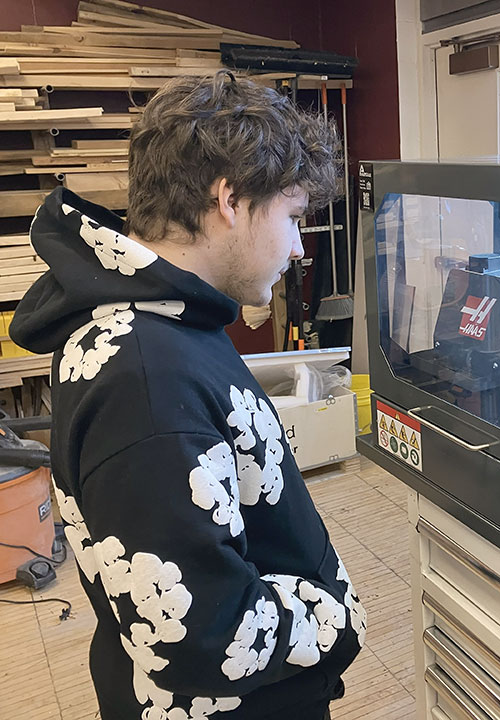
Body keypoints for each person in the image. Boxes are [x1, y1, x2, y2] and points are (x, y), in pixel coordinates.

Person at [10, 71, 366, 720]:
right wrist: (332, 619)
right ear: (229, 199)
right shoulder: (145, 379)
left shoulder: (163, 319)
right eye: (291, 217)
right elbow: (204, 633)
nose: (296, 247)